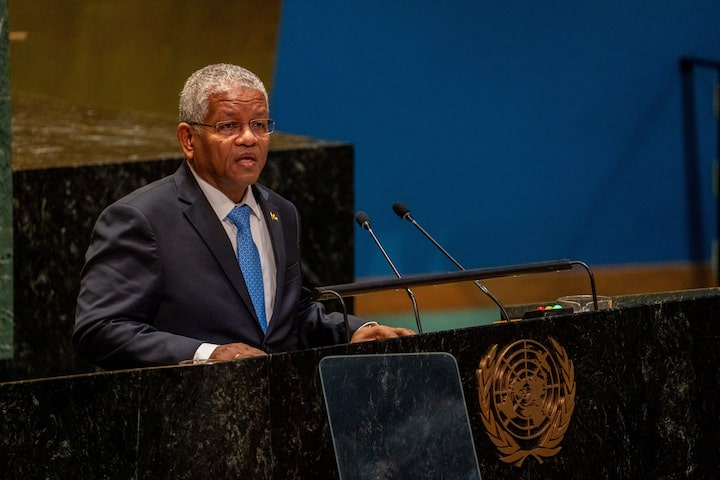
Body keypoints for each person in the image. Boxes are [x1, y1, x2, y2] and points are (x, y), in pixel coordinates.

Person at [74, 63, 413, 369]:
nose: (249, 138)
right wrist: (206, 354)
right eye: (228, 126)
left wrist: (354, 330)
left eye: (259, 124)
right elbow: (100, 328)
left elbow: (289, 316)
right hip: (192, 408)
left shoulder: (281, 212)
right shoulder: (142, 218)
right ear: (188, 139)